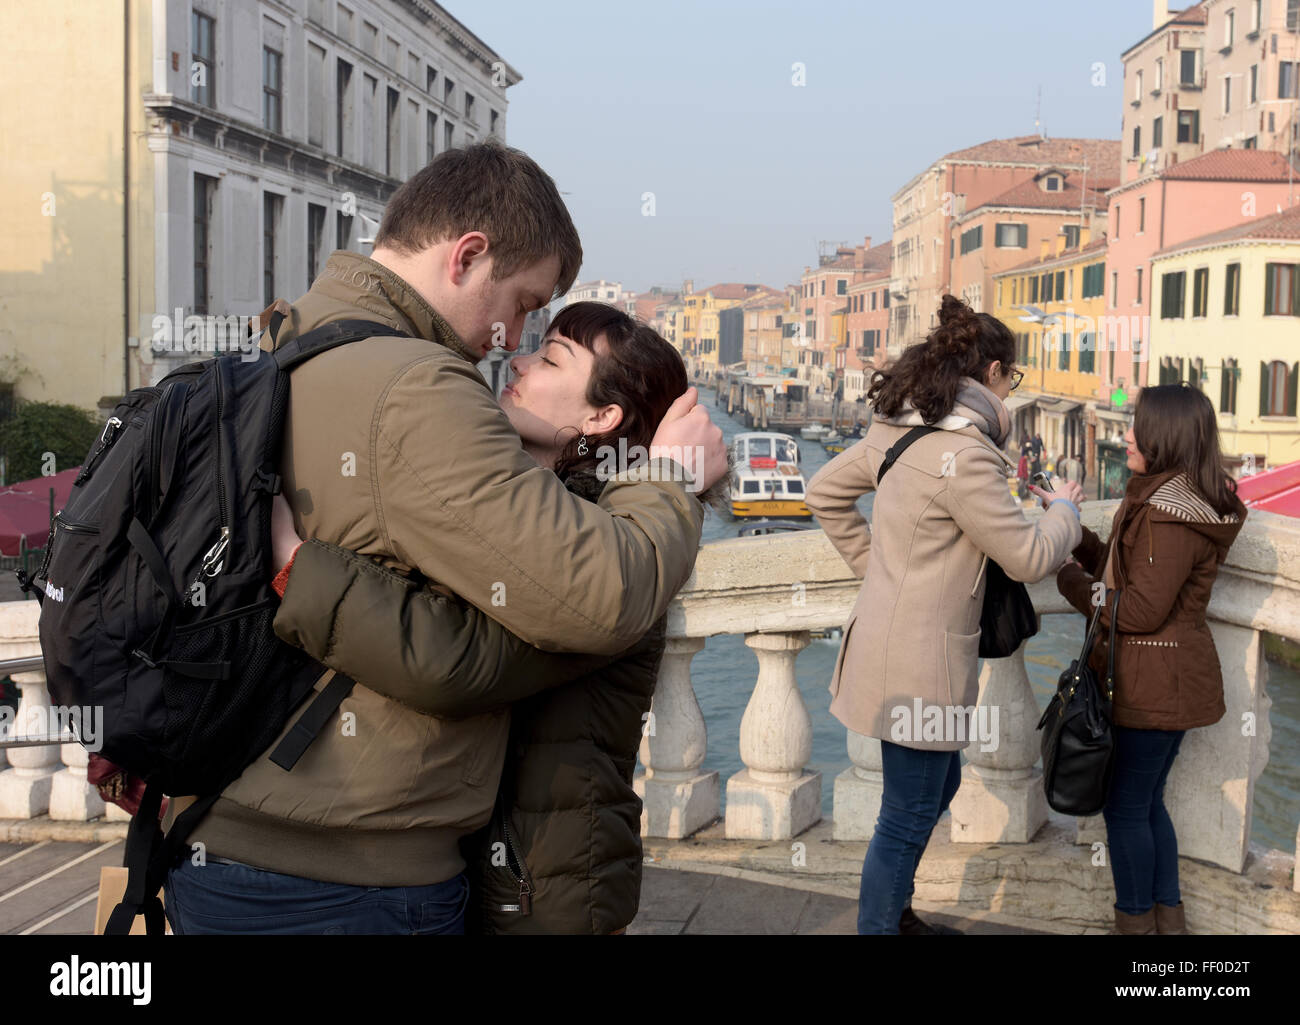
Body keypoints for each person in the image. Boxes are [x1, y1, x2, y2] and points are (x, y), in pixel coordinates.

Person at [161, 143, 726, 936]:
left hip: (220, 835)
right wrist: (670, 479)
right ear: (467, 257)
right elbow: (592, 600)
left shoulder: (287, 342)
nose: (513, 339)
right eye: (524, 305)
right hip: (347, 874)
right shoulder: (420, 386)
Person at [265, 303, 726, 934]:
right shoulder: (536, 511)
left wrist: (299, 569)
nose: (519, 359)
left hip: (545, 887)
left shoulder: (604, 549)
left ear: (602, 416)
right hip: (496, 868)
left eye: (550, 357)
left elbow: (455, 659)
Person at [806, 294, 1084, 936]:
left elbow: (824, 493)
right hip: (921, 663)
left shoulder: (892, 429)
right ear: (990, 373)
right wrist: (1066, 509)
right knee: (905, 812)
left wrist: (876, 569)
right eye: (1010, 377)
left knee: (936, 782)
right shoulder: (971, 456)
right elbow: (1027, 555)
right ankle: (881, 926)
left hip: (882, 644)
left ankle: (894, 915)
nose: (1010, 388)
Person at [1054, 385, 1246, 936]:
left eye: (1138, 426)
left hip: (1153, 683)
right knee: (1145, 802)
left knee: (1126, 807)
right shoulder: (1166, 499)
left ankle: (1137, 931)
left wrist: (1068, 578)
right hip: (1161, 679)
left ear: (1166, 437)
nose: (1127, 435)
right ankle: (1168, 925)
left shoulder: (1168, 513)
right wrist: (1074, 532)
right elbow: (1126, 567)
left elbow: (1137, 609)